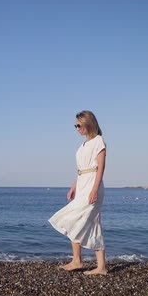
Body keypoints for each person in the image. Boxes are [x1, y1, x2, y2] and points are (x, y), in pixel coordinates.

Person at [49, 110, 107, 275]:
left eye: (79, 125)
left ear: (89, 124)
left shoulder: (98, 141)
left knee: (75, 220)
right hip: (82, 184)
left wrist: (95, 189)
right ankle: (82, 262)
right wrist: (74, 186)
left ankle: (84, 262)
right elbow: (82, 170)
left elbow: (100, 168)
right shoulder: (83, 145)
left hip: (92, 185)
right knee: (87, 223)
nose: (77, 128)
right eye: (75, 125)